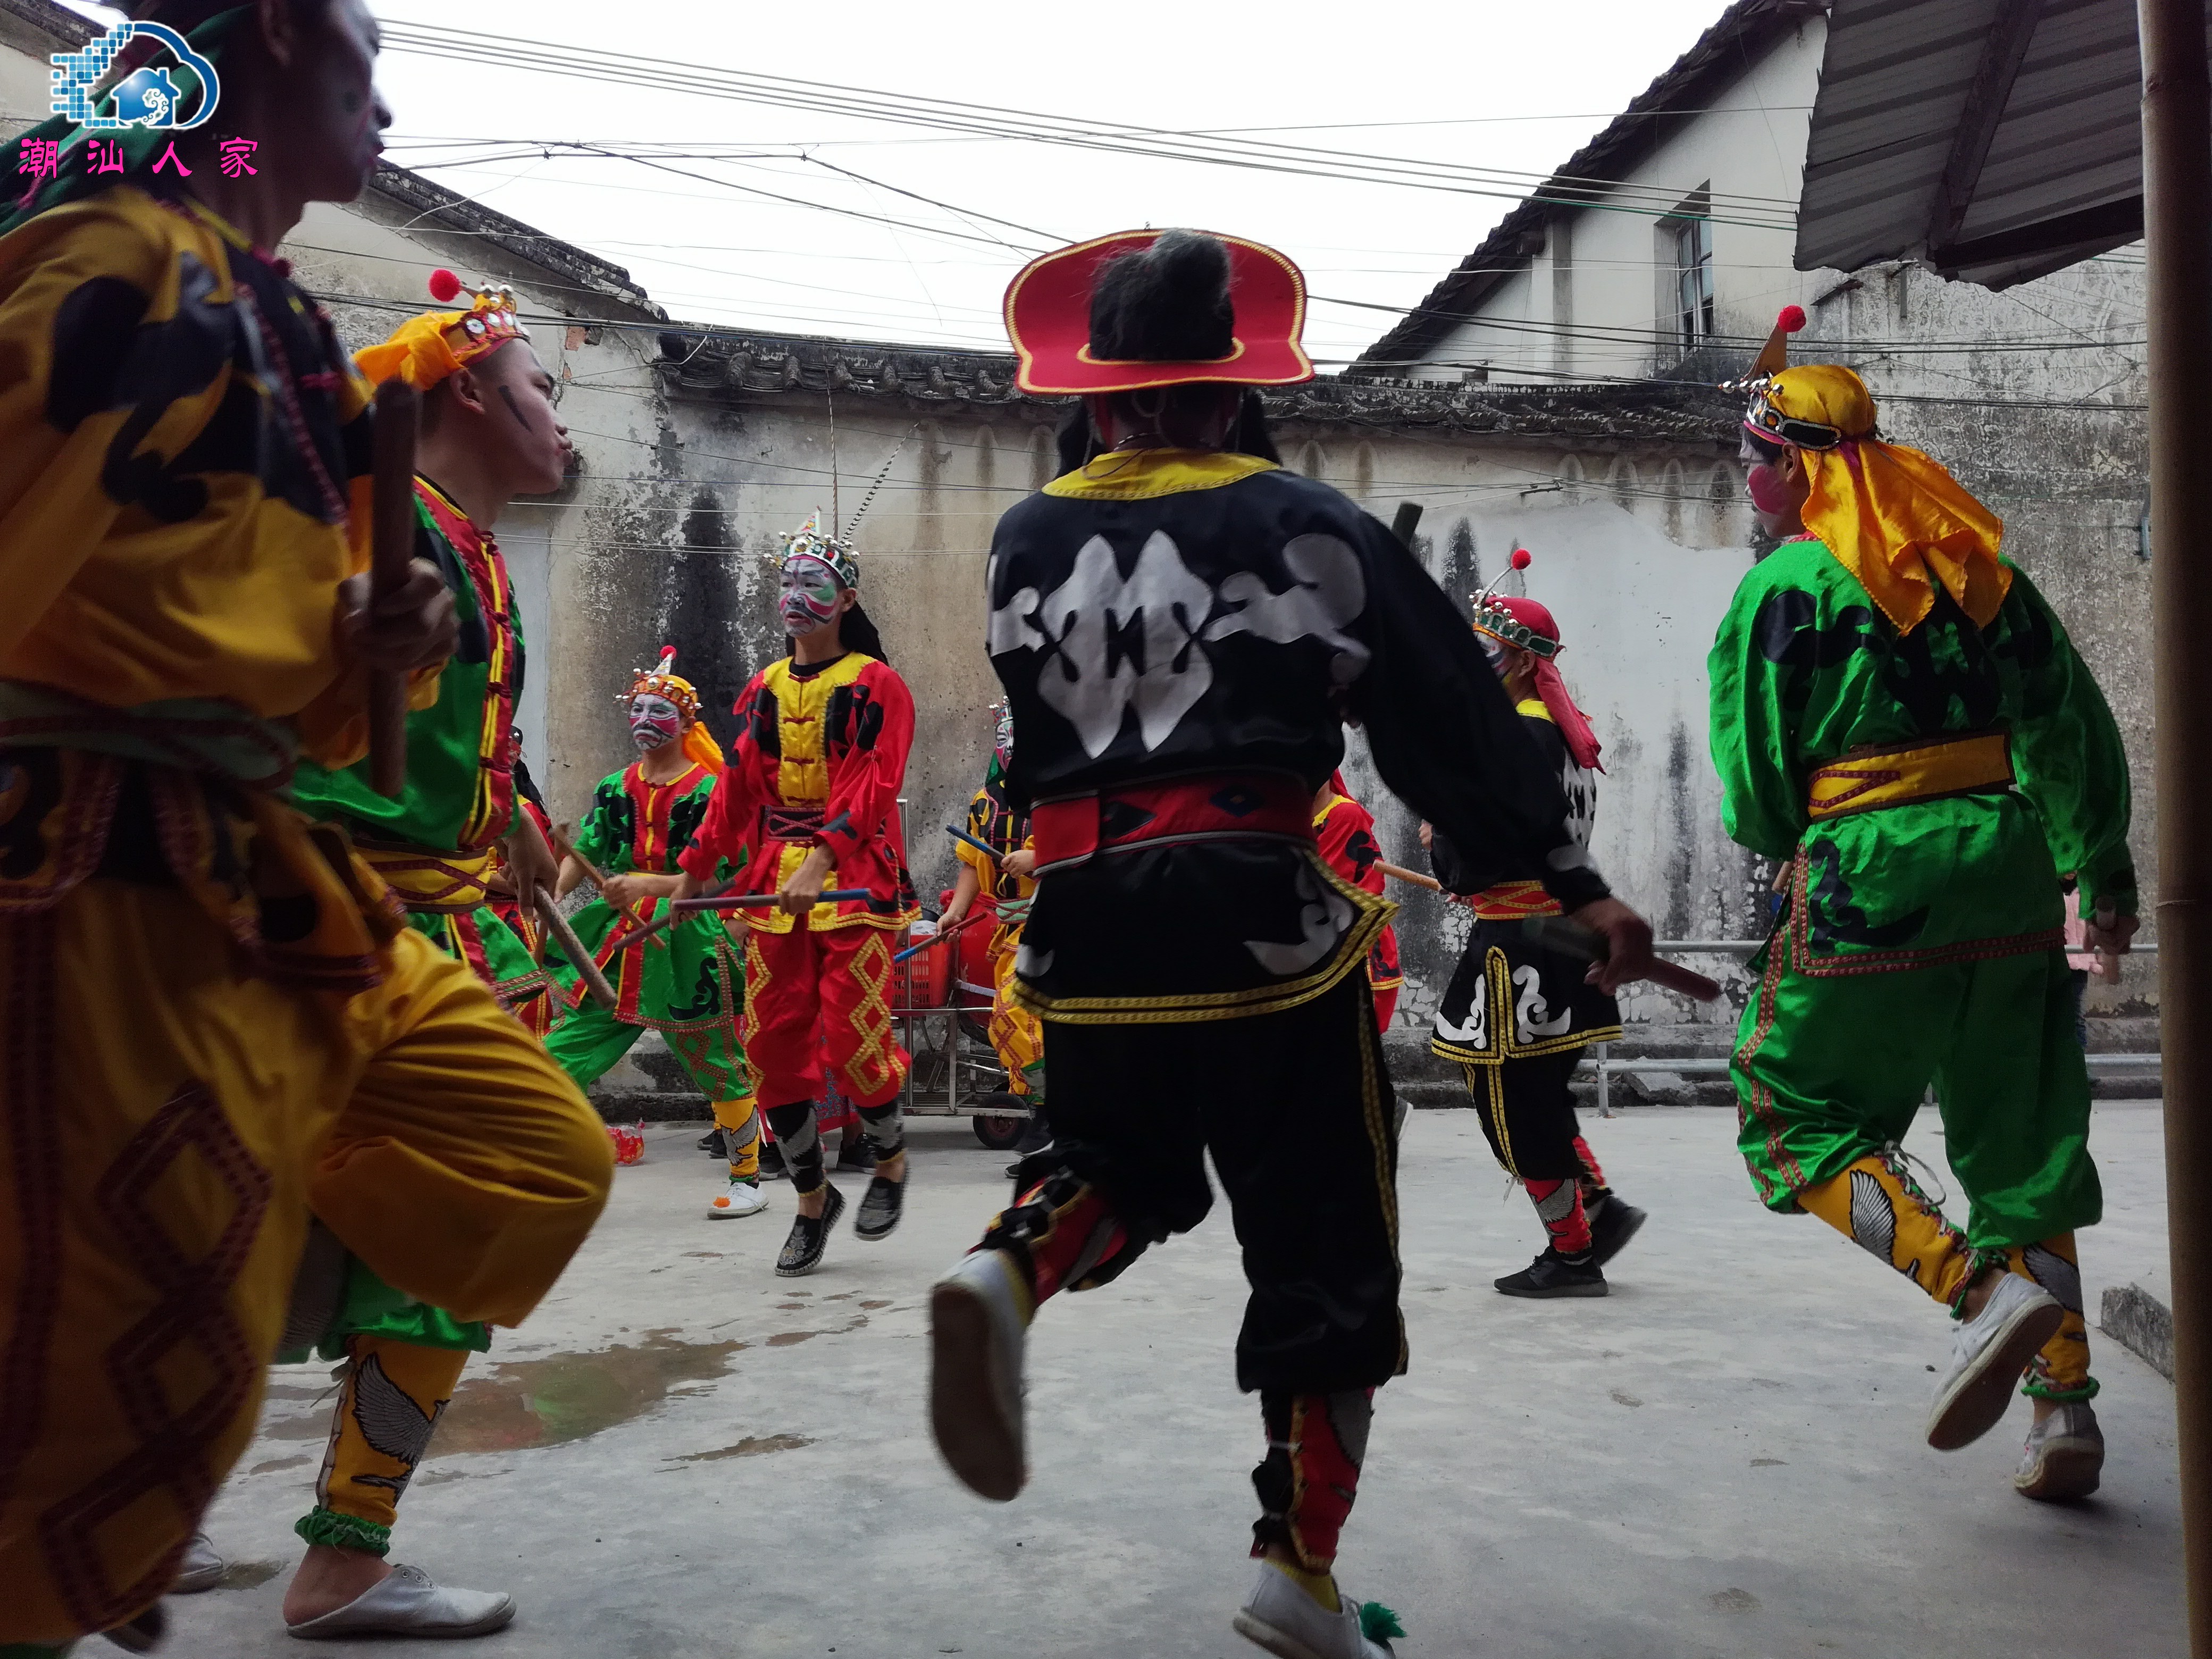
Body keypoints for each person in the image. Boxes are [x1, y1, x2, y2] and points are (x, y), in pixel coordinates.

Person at [926, 228, 1659, 1659]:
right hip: (1259, 912)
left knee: (1116, 1168)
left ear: (1103, 393)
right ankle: (1296, 1571)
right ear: (1223, 389)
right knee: (1325, 1246)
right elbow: (1445, 720)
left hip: (1076, 915)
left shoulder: (1025, 536)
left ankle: (1005, 1271)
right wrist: (1562, 877)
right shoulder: (1302, 521)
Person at [0, 4, 610, 1652]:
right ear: (269, 39)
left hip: (276, 875)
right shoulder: (110, 256)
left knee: (530, 1159)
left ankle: (217, 1439)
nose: (390, 106)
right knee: (96, 1344)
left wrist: (365, 643)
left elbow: (297, 672)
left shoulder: (272, 321)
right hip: (98, 858)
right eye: (364, 59)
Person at [1711, 314, 2136, 1503]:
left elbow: (1753, 784)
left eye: (1750, 464)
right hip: (2005, 862)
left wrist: (1808, 843)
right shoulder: (1975, 561)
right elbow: (2067, 719)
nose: (1747, 487)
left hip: (1868, 871)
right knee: (2023, 1134)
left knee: (1786, 1108)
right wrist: (2097, 871)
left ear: (1791, 467)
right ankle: (2062, 1416)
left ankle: (1977, 1294)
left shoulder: (1783, 587)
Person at [270, 273, 585, 1637]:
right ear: (466, 392)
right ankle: (323, 1550)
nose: (561, 426)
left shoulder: (469, 546)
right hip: (350, 934)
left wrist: (504, 811)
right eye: (540, 393)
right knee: (460, 1220)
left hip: (428, 925)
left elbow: (449, 742)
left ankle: (311, 1545)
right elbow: (306, 719)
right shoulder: (391, 536)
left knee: (394, 1252)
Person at [674, 513, 920, 1276]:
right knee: (771, 1047)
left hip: (855, 881)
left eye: (813, 583)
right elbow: (737, 793)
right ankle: (813, 1200)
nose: (794, 595)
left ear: (846, 599)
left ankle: (889, 1164)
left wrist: (822, 859)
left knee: (855, 1039)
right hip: (776, 885)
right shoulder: (764, 689)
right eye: (786, 582)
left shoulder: (877, 684)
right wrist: (692, 875)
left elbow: (875, 781)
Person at [1425, 584, 1645, 1296]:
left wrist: (1441, 841)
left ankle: (1573, 1250)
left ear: (1517, 658)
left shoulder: (1519, 736)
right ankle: (1597, 1211)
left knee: (1508, 1101)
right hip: (1559, 932)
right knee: (1539, 1094)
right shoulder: (1565, 736)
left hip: (1516, 940)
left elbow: (1481, 851)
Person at [546, 650, 763, 1220]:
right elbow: (586, 849)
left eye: (659, 709)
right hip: (616, 948)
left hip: (685, 940)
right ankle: (539, 1165)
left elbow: (729, 870)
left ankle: (747, 1178)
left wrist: (655, 884)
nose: (644, 718)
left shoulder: (710, 791)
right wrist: (552, 894)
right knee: (560, 1056)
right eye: (637, 707)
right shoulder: (614, 787)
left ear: (688, 725)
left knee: (715, 1062)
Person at [941, 702, 1049, 1168]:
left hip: (1055, 925)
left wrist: (1037, 859)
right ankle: (1049, 1125)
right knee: (1007, 1034)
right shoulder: (984, 802)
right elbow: (971, 862)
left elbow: (1088, 849)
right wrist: (956, 913)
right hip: (1008, 930)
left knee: (1015, 1016)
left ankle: (1054, 1120)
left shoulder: (1062, 797)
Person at [1310, 772, 1403, 1034]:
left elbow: (1321, 884)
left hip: (1354, 941)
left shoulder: (1344, 815)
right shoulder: (1292, 818)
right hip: (1318, 938)